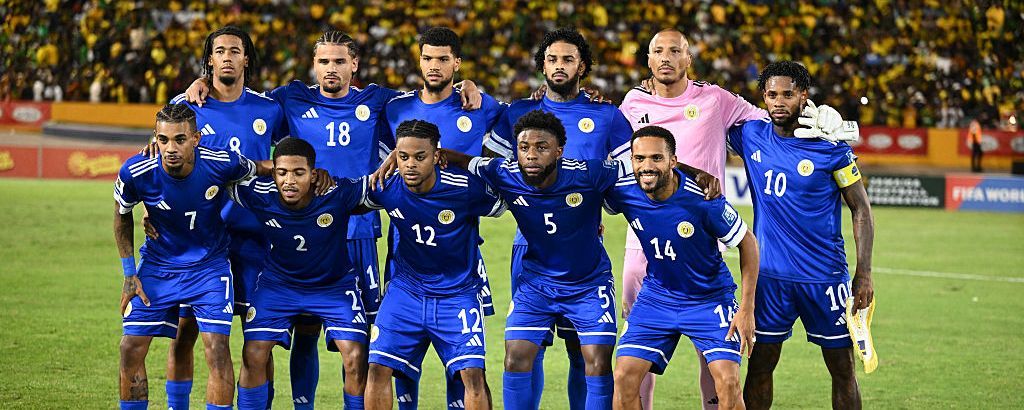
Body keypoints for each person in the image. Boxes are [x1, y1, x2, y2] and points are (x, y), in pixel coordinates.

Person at [184, 29, 482, 408]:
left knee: (361, 341)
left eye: (340, 61)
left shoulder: (378, 100)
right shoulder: (291, 99)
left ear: (354, 64)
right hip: (302, 233)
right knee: (304, 331)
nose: (331, 68)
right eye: (324, 61)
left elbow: (426, 101)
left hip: (358, 233)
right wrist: (203, 82)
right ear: (313, 64)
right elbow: (239, 102)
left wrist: (466, 85)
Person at [483, 27, 633, 410]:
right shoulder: (516, 113)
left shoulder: (607, 116)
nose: (559, 65)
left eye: (568, 59)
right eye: (552, 59)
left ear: (582, 66)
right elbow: (490, 172)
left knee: (582, 353)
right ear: (542, 65)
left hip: (583, 248)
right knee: (525, 349)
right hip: (528, 248)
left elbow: (629, 179)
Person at [617, 29, 766, 409]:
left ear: (689, 59)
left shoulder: (715, 99)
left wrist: (811, 122)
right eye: (658, 51)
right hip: (643, 236)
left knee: (712, 353)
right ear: (648, 60)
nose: (666, 57)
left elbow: (766, 119)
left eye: (675, 50)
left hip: (701, 230)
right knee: (636, 349)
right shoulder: (632, 101)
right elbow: (616, 151)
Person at [730, 61, 875, 409]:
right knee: (760, 365)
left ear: (804, 96)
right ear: (763, 97)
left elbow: (861, 209)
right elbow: (701, 119)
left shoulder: (831, 147)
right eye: (772, 95)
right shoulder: (751, 134)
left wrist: (864, 272)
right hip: (770, 278)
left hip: (824, 277)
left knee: (842, 369)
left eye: (787, 94)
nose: (779, 102)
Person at [379, 27, 505, 410]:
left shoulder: (482, 107)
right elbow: (384, 170)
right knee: (400, 363)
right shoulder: (395, 108)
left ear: (457, 63)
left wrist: (472, 87)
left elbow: (509, 154)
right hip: (405, 250)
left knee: (463, 367)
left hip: (459, 248)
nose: (434, 66)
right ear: (419, 61)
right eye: (428, 58)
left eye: (443, 59)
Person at [114, 104, 268, 410]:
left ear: (196, 139)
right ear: (155, 138)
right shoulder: (135, 171)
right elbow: (121, 215)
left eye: (180, 140)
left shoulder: (220, 163)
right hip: (159, 265)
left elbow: (258, 167)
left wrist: (296, 168)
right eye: (163, 140)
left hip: (209, 268)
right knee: (130, 347)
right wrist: (130, 273)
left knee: (217, 349)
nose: (170, 148)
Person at [164, 25, 287, 409]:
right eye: (220, 51)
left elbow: (289, 161)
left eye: (235, 51)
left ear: (246, 59)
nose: (228, 57)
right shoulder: (186, 106)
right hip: (199, 239)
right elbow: (159, 159)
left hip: (255, 238)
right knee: (184, 333)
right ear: (210, 59)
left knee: (259, 339)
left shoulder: (269, 109)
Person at [606, 126, 759, 410]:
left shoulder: (703, 200)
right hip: (657, 297)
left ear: (673, 161)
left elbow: (748, 242)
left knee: (727, 382)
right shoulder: (624, 190)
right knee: (623, 377)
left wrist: (747, 308)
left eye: (656, 158)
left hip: (709, 299)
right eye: (639, 159)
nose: (646, 166)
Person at [362, 120, 505, 410]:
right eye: (403, 157)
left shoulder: (464, 188)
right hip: (406, 292)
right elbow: (344, 198)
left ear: (437, 156)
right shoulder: (387, 185)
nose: (410, 165)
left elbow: (504, 202)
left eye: (420, 157)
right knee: (377, 368)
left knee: (472, 375)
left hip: (457, 293)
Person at [229, 137, 371, 410]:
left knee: (355, 356)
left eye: (299, 173)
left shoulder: (336, 193)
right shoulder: (259, 193)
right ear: (274, 174)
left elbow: (385, 187)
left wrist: (396, 159)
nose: (289, 181)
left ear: (313, 174)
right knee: (253, 353)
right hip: (278, 286)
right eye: (282, 173)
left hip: (333, 287)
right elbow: (211, 174)